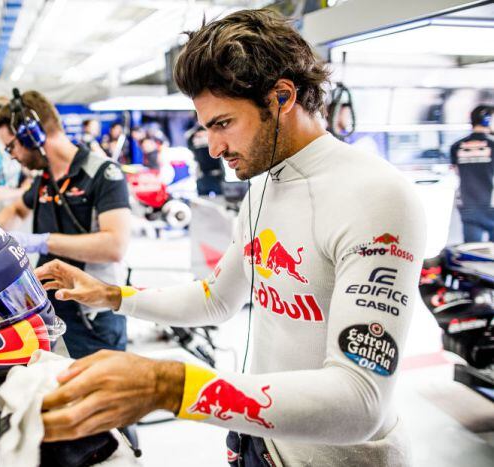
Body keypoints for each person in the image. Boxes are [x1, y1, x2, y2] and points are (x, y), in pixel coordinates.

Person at [35, 9, 426, 467]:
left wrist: (170, 385)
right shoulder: (263, 183)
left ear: (282, 97)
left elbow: (361, 399)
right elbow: (217, 300)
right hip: (261, 441)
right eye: (207, 128)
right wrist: (111, 295)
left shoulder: (377, 196)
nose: (214, 148)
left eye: (223, 123)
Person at [0, 90, 132, 360]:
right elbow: (16, 208)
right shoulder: (44, 178)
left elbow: (114, 245)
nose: (11, 156)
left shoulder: (104, 174)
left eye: (11, 146)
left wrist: (41, 241)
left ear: (32, 134)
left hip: (94, 312)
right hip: (50, 310)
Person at [450, 105, 494, 242]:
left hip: (468, 206)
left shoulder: (456, 146)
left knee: (472, 255)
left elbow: (456, 171)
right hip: (491, 206)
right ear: (487, 120)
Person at [187, 123, 224, 195]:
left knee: (220, 200)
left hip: (217, 174)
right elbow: (190, 144)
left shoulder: (215, 132)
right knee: (204, 200)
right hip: (202, 176)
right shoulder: (193, 135)